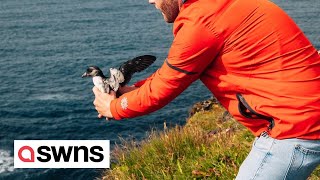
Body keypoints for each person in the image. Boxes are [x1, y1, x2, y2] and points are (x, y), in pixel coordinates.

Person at [93, 0, 320, 179]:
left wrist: (113, 108)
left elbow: (163, 89)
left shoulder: (202, 22)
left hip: (295, 128)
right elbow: (174, 71)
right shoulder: (222, 6)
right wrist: (133, 89)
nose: (150, 1)